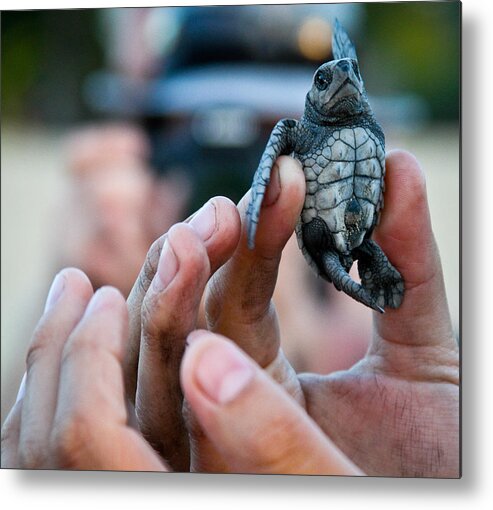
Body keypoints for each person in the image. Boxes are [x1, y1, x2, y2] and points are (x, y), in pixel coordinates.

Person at [1, 151, 459, 476]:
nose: (253, 188)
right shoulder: (105, 251)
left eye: (291, 157)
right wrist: (84, 311)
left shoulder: (418, 388)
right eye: (184, 142)